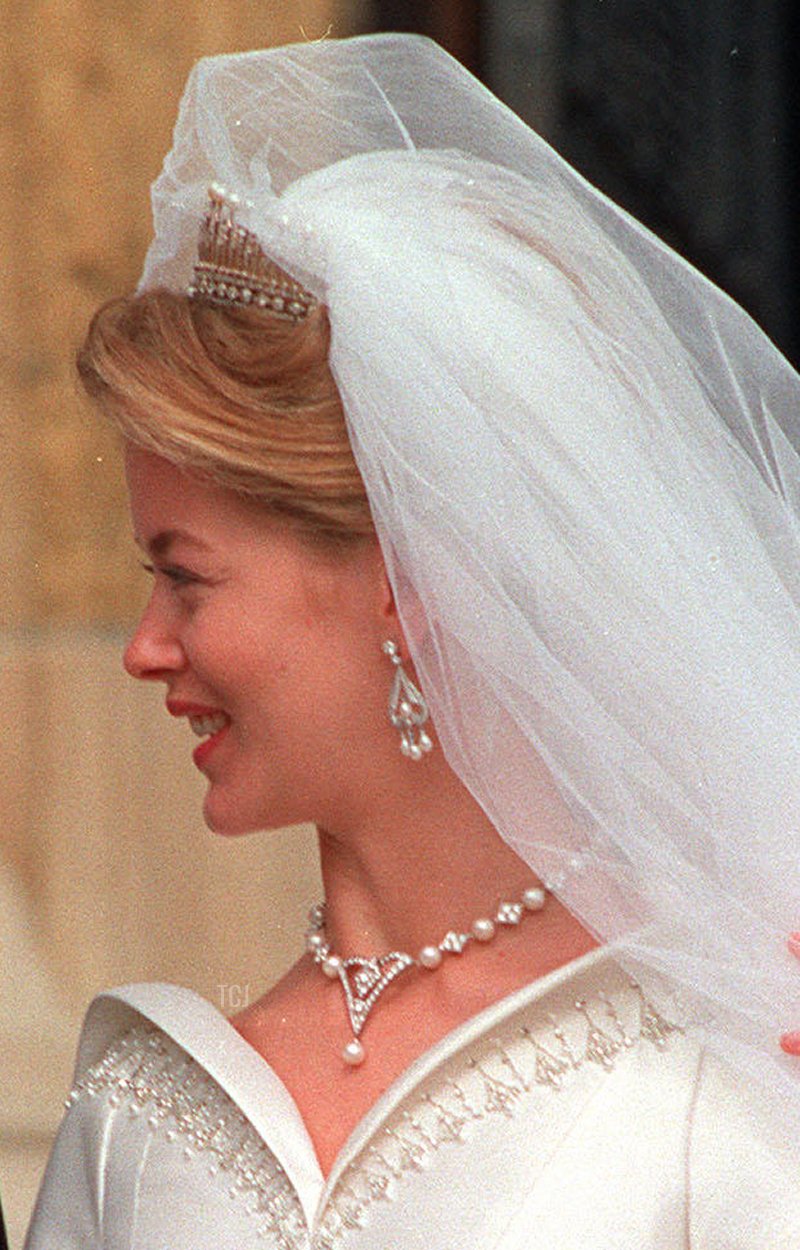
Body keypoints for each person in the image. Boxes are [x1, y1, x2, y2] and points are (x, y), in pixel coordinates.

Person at [25, 34, 800, 1248]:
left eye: (184, 577)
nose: (143, 648)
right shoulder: (137, 1110)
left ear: (404, 582)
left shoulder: (720, 1086)